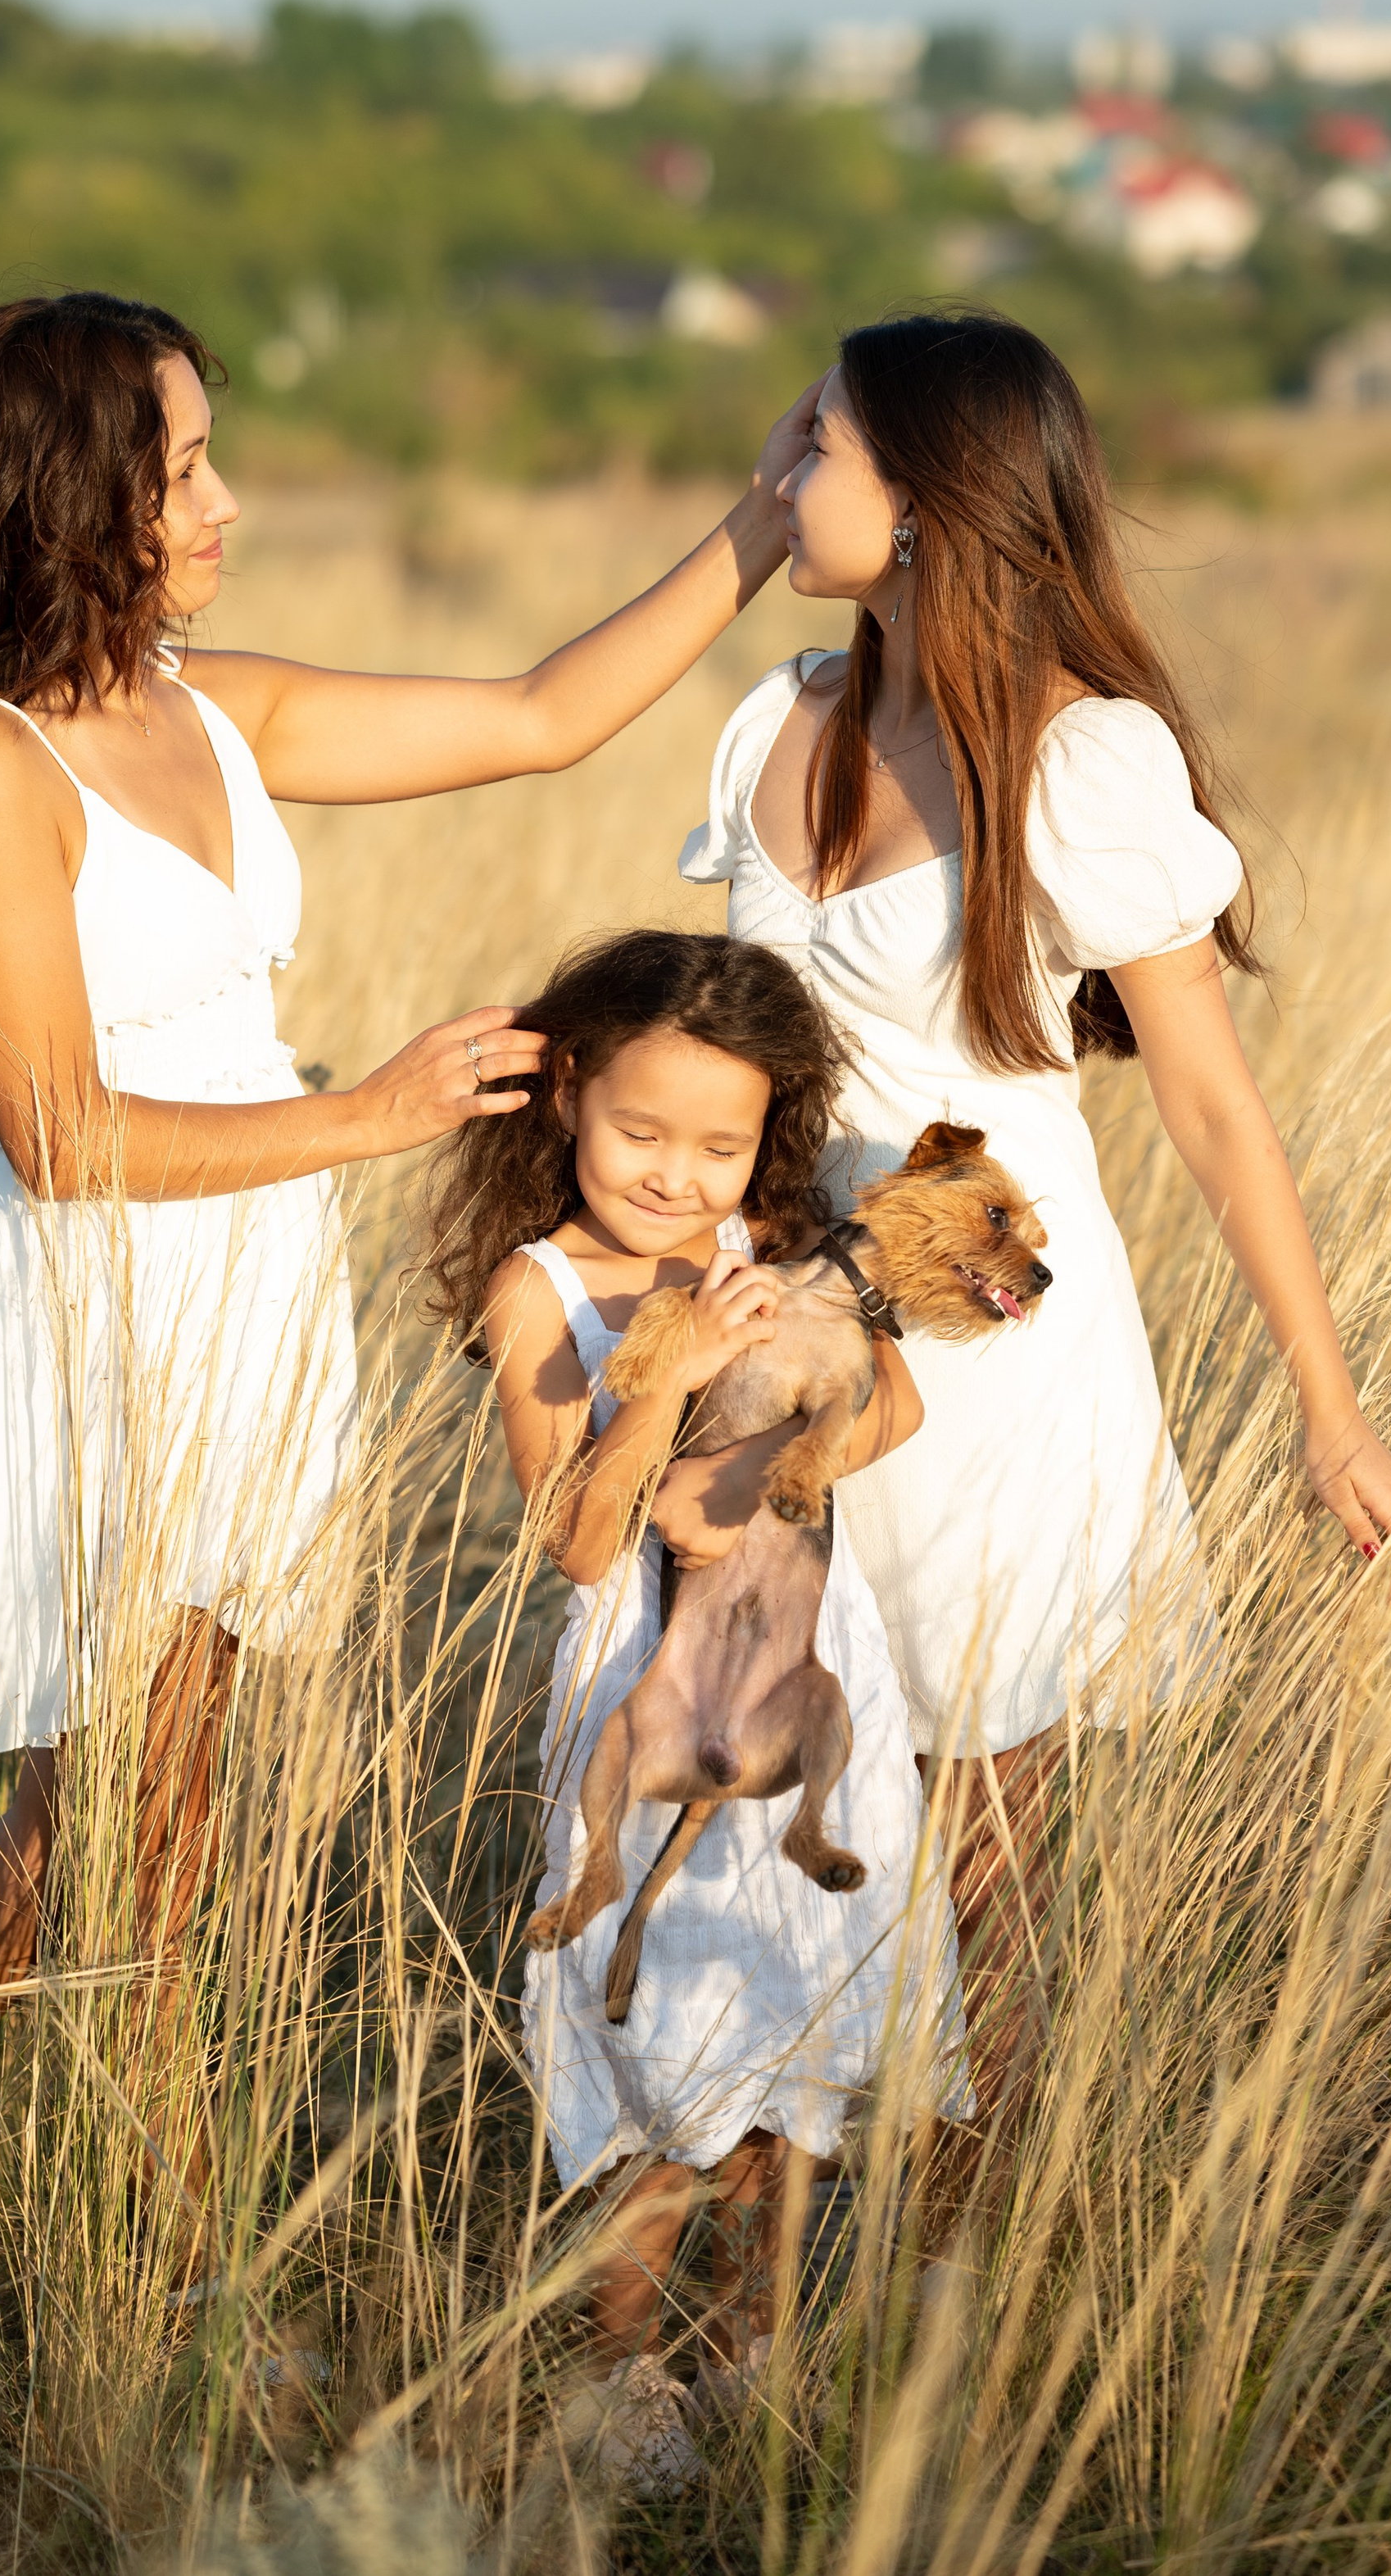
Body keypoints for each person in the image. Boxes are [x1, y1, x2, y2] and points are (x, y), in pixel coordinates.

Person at [0, 290, 797, 2388]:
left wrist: (760, 517)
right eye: (184, 466)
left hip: (251, 1288)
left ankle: (163, 2259)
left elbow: (544, 709)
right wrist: (373, 1115)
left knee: (177, 1821)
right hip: (102, 1298)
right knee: (99, 1808)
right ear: (76, 493)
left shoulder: (214, 710)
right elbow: (54, 1124)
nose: (224, 503)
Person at [677, 311, 1391, 2127]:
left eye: (821, 448)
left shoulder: (1081, 757)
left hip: (997, 1336)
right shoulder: (773, 724)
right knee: (763, 1797)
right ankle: (752, 2275)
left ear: (932, 502)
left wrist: (1327, 1409)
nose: (782, 477)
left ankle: (955, 2281)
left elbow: (1206, 1103)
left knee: (978, 1828)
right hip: (781, 1321)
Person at [423, 929, 968, 2495]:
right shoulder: (545, 1289)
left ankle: (755, 2342)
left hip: (806, 1668)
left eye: (719, 1146)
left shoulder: (782, 1244)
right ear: (571, 1095)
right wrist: (674, 1391)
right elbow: (584, 1538)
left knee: (796, 2010)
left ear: (766, 1140)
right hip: (639, 1703)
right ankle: (622, 2365)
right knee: (649, 2032)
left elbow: (898, 1404)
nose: (675, 1177)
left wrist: (737, 1482)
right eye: (640, 1135)